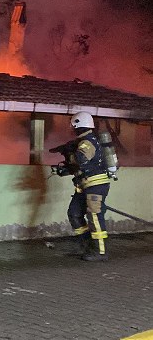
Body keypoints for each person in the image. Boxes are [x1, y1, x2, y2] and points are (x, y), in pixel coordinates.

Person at [60, 111, 112, 261]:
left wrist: (70, 153)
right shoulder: (82, 141)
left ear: (77, 124)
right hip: (85, 185)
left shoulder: (87, 142)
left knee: (94, 216)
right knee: (74, 213)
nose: (72, 129)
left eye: (73, 125)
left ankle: (100, 252)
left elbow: (81, 159)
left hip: (96, 185)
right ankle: (87, 247)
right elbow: (81, 166)